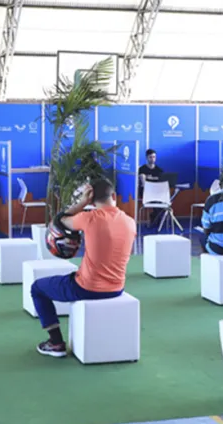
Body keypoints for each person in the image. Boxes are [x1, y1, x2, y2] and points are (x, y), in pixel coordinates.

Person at [30, 178, 137, 357]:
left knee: (37, 288)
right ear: (114, 196)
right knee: (74, 274)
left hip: (86, 288)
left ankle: (55, 342)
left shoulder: (88, 218)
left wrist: (81, 203)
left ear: (92, 200)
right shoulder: (130, 222)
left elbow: (59, 221)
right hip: (117, 288)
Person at [138, 149, 165, 227]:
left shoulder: (159, 170)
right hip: (145, 192)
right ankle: (155, 220)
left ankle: (155, 219)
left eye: (154, 157)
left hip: (157, 192)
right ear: (147, 158)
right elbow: (142, 184)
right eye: (150, 157)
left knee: (163, 203)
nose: (152, 159)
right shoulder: (142, 169)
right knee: (158, 204)